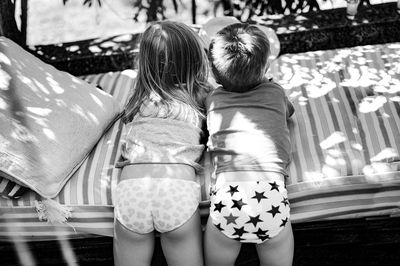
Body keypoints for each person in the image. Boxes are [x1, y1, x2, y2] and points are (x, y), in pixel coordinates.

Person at [113, 20, 210, 266]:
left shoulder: (139, 96)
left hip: (132, 190)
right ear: (196, 60)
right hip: (175, 189)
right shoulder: (201, 93)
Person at [204, 22, 295, 266]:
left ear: (213, 74)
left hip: (227, 200)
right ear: (266, 67)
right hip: (271, 198)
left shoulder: (213, 99)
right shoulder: (276, 93)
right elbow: (289, 112)